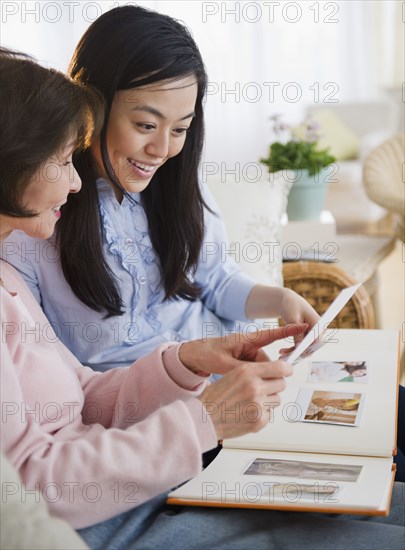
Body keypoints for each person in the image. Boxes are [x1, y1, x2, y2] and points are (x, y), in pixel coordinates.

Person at [1, 48, 404, 550]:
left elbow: (81, 397)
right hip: (122, 498)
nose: (77, 179)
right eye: (63, 160)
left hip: (161, 446)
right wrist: (205, 420)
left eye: (180, 127)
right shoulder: (32, 248)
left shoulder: (8, 282)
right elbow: (27, 492)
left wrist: (184, 362)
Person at [1, 4, 319, 371]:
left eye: (180, 129)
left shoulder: (175, 185)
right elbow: (46, 372)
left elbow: (214, 280)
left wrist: (281, 301)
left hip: (232, 370)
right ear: (92, 104)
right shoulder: (36, 217)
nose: (163, 150)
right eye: (146, 126)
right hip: (149, 409)